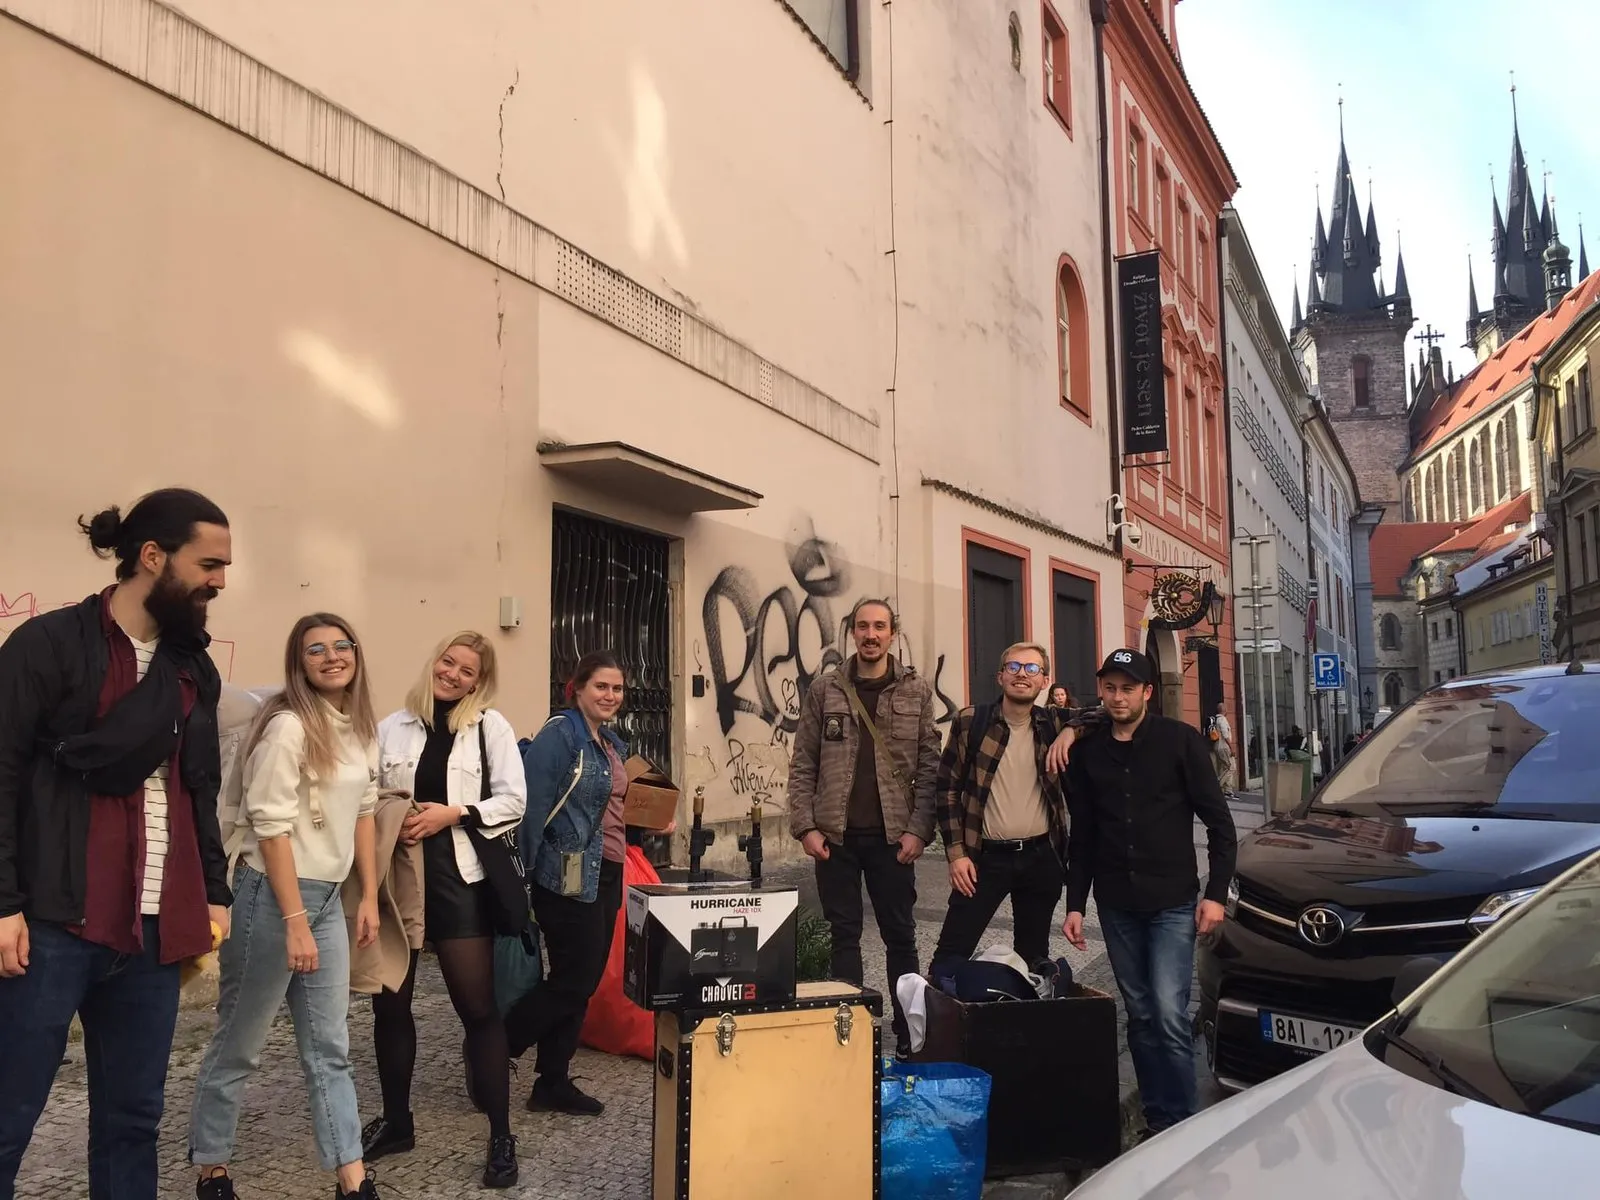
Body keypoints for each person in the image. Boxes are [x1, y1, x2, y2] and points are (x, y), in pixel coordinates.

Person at [0, 489, 233, 1198]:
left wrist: (215, 891)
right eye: (209, 564)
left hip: (153, 928)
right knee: (8, 1116)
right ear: (152, 556)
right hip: (52, 921)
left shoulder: (191, 667)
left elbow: (198, 786)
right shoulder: (48, 645)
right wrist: (3, 901)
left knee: (133, 1121)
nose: (220, 581)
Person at [188, 614, 382, 1199]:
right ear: (299, 664)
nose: (330, 656)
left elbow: (365, 812)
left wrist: (369, 896)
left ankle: (353, 1179)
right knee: (241, 1042)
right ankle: (212, 1167)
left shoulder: (359, 728)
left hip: (326, 899)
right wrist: (295, 921)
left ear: (356, 653)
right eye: (314, 650)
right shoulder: (288, 727)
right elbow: (270, 828)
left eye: (340, 645)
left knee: (330, 1048)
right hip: (272, 896)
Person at [361, 632, 526, 1189]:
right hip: (397, 878)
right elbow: (364, 792)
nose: (452, 674)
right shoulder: (393, 726)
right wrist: (393, 815)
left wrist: (451, 814)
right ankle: (397, 1122)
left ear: (480, 681)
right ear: (434, 662)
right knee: (390, 1005)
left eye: (466, 670)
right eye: (448, 662)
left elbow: (515, 800)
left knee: (477, 1010)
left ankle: (500, 1134)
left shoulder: (489, 727)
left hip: (459, 878)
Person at [1058, 649, 1236, 1140]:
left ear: (1147, 692)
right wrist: (1075, 904)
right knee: (1138, 1014)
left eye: (1128, 688)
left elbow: (1220, 825)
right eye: (1110, 688)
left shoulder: (1180, 742)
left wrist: (1216, 893)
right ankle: (1157, 1119)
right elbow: (1084, 836)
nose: (1118, 697)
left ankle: (1183, 1127)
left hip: (1172, 901)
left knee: (1169, 1013)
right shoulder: (1088, 753)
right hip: (1116, 902)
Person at [787, 599, 940, 1055]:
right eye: (863, 626)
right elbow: (803, 762)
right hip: (835, 838)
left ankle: (909, 1033)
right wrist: (806, 827)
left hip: (894, 839)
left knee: (901, 937)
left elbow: (930, 767)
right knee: (844, 936)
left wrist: (919, 830)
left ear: (893, 633)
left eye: (880, 626)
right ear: (852, 632)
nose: (871, 634)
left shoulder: (916, 691)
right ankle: (849, 1036)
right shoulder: (825, 690)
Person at [503, 651, 629, 1115]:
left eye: (617, 688)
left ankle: (552, 1081)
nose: (610, 696)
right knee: (573, 981)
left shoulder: (609, 741)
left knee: (582, 981)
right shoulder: (560, 736)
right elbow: (532, 810)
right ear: (577, 688)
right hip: (565, 875)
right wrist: (523, 879)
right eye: (601, 686)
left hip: (607, 872)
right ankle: (496, 1044)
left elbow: (610, 807)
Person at [930, 644, 1097, 978]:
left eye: (1032, 669)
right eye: (1014, 667)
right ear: (1000, 676)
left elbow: (1105, 715)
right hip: (983, 859)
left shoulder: (1052, 722)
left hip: (1040, 858)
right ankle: (930, 1011)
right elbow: (946, 789)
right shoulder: (972, 721)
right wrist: (956, 853)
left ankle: (1023, 1012)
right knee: (949, 958)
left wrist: (1070, 730)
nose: (1022, 674)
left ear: (1044, 681)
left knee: (1032, 961)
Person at [1207, 702, 1235, 799]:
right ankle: (1217, 785)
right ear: (1224, 710)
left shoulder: (1215, 719)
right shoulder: (1222, 720)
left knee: (1224, 768)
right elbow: (1225, 735)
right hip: (1224, 747)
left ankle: (1227, 790)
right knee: (1231, 767)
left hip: (1217, 746)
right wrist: (1231, 748)